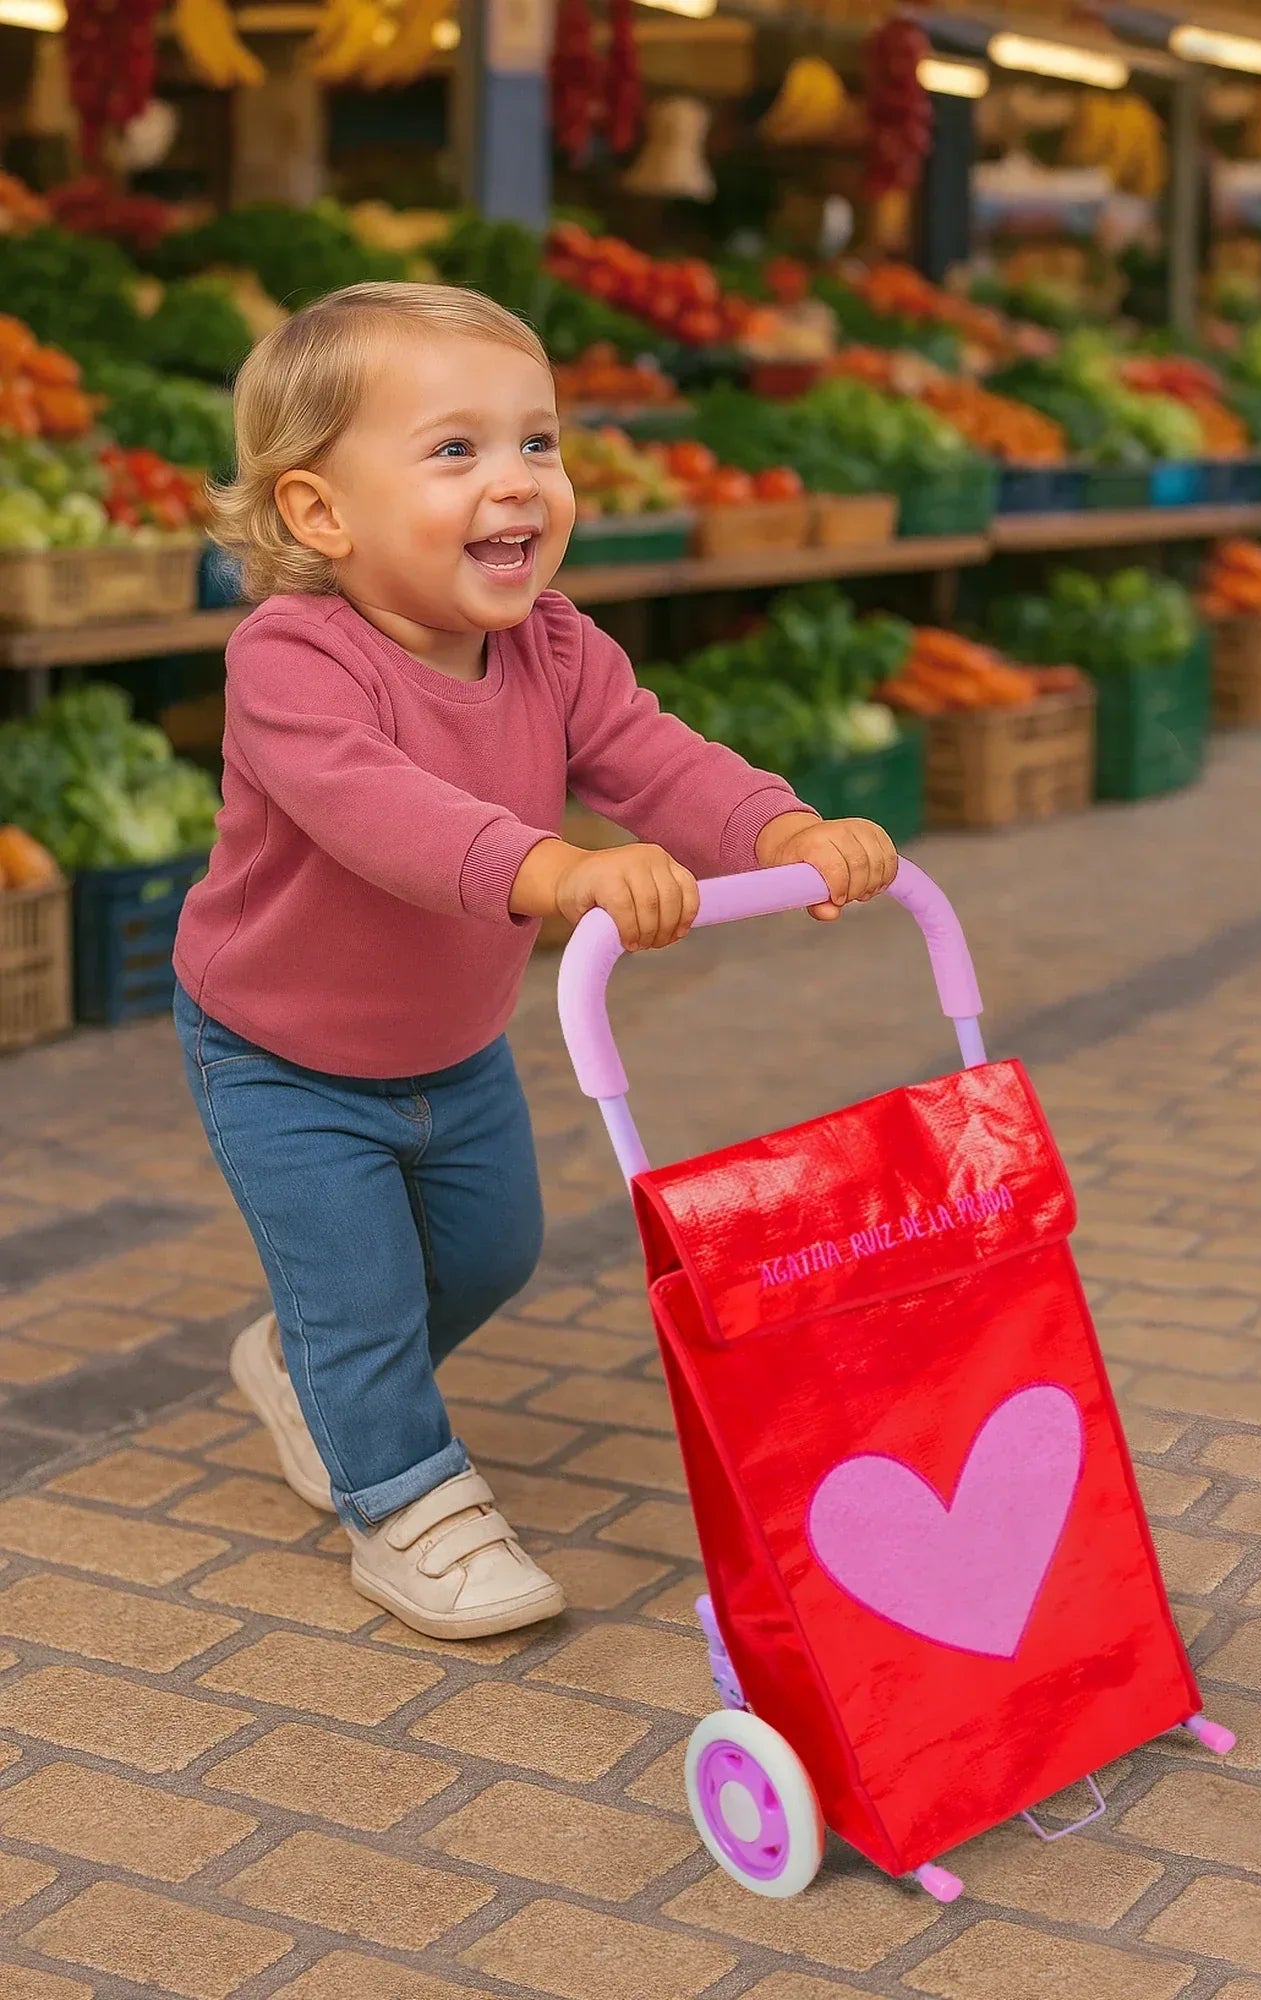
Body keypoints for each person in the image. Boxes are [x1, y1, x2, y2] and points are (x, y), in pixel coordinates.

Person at [173, 281, 899, 1641]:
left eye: (538, 444)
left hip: (451, 1042)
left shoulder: (553, 644)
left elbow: (652, 753)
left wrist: (780, 826)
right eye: (455, 451)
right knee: (365, 1292)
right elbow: (387, 816)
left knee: (494, 1251)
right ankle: (401, 1497)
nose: (516, 484)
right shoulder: (291, 660)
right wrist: (556, 869)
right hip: (280, 1053)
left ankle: (307, 1368)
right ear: (317, 512)